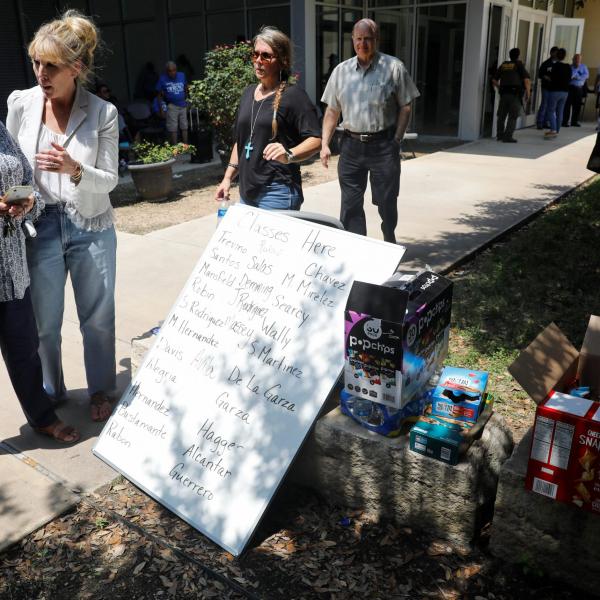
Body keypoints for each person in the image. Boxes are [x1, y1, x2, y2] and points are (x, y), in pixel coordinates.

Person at [7, 10, 119, 423]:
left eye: (51, 65)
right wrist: (18, 197)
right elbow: (14, 165)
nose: (41, 73)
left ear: (77, 67)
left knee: (97, 319)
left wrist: (74, 168)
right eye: (37, 62)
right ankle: (50, 391)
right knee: (44, 324)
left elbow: (107, 181)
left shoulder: (102, 112)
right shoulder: (21, 103)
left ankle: (101, 389)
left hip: (90, 224)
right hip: (40, 227)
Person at [0, 122, 80, 444]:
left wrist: (29, 204)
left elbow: (26, 183)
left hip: (11, 267)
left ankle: (41, 416)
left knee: (24, 349)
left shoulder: (1, 131)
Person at [320, 18, 419, 243]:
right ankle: (358, 248)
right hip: (350, 146)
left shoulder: (393, 67)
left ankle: (388, 236)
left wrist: (396, 139)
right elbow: (332, 112)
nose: (362, 43)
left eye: (367, 39)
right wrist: (324, 143)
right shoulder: (341, 71)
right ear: (352, 40)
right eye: (358, 39)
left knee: (386, 200)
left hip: (384, 146)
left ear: (377, 40)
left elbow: (406, 106)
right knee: (350, 204)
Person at [215, 26, 321, 210]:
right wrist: (227, 178)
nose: (258, 61)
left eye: (266, 56)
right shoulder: (248, 93)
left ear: (283, 61)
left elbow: (316, 139)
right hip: (247, 191)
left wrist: (289, 155)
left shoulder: (293, 95)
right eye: (255, 55)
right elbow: (241, 142)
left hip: (277, 192)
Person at [492, 48, 531, 143]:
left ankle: (500, 135)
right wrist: (528, 93)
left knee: (501, 116)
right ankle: (508, 137)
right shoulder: (519, 64)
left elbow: (494, 80)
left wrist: (500, 88)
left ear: (510, 55)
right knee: (512, 116)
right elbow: (526, 80)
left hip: (504, 94)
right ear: (518, 55)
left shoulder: (504, 65)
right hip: (515, 95)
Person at [156, 61, 188, 145]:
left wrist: (187, 100)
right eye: (170, 71)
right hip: (171, 105)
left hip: (183, 105)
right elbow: (159, 96)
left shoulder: (181, 75)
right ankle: (175, 147)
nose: (173, 72)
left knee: (184, 126)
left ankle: (186, 146)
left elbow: (185, 88)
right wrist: (162, 109)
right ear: (167, 71)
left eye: (174, 70)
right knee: (173, 128)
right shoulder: (162, 79)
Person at [544, 48, 571, 139]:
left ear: (556, 55)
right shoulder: (568, 67)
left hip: (555, 91)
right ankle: (557, 130)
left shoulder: (555, 66)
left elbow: (552, 78)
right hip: (565, 92)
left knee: (550, 110)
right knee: (560, 111)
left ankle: (553, 130)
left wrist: (547, 78)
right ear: (564, 56)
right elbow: (569, 78)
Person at [562, 53, 589, 127]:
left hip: (579, 88)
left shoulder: (584, 67)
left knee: (577, 106)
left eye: (579, 59)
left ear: (581, 60)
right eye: (576, 59)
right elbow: (569, 76)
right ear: (573, 59)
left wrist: (578, 77)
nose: (577, 60)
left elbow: (586, 75)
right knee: (567, 105)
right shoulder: (569, 67)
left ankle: (574, 121)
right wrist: (576, 70)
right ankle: (565, 121)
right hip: (570, 88)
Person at [536, 46, 558, 130]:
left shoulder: (558, 64)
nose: (556, 54)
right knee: (544, 103)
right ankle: (540, 122)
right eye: (555, 53)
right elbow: (540, 74)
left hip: (554, 88)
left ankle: (546, 122)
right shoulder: (546, 63)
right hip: (546, 87)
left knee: (551, 105)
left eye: (557, 53)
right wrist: (546, 77)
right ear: (551, 53)